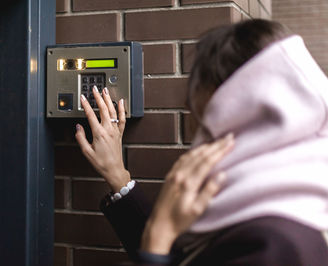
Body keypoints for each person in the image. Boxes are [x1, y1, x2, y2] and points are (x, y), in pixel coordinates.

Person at [74, 19, 328, 265]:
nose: (193, 126)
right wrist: (117, 175)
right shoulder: (276, 200)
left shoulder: (275, 248)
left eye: (204, 119)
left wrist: (158, 239)